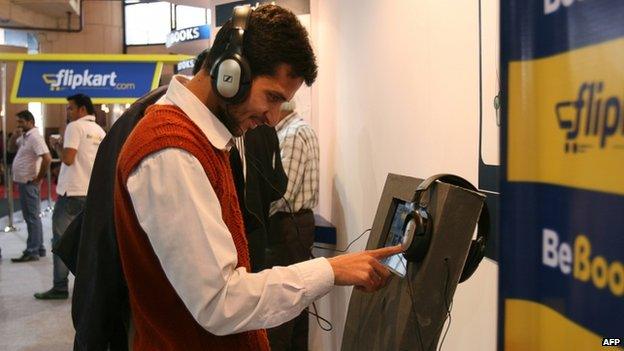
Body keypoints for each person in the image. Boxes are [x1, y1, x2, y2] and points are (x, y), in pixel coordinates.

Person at [113, 5, 401, 350]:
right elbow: (220, 302)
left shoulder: (201, 139)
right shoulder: (172, 151)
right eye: (272, 97)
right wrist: (330, 271)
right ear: (230, 74)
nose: (272, 116)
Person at [35, 94, 105, 300]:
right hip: (90, 194)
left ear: (82, 110)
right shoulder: (100, 131)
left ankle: (59, 286)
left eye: (70, 108)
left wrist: (57, 145)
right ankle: (90, 288)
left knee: (62, 242)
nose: (68, 112)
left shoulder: (76, 127)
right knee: (88, 244)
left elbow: (67, 159)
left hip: (71, 194)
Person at [266, 100, 319, 350]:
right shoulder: (296, 130)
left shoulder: (292, 133)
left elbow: (282, 194)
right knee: (296, 302)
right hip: (296, 225)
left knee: (283, 305)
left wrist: (254, 214)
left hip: (289, 225)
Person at [9, 110, 51, 262]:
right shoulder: (25, 137)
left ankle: (32, 250)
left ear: (30, 121)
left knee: (32, 217)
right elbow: (11, 149)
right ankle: (38, 248)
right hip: (24, 182)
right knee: (31, 217)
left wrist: (38, 179)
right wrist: (14, 136)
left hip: (29, 183)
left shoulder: (35, 137)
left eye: (21, 122)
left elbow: (47, 158)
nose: (18, 125)